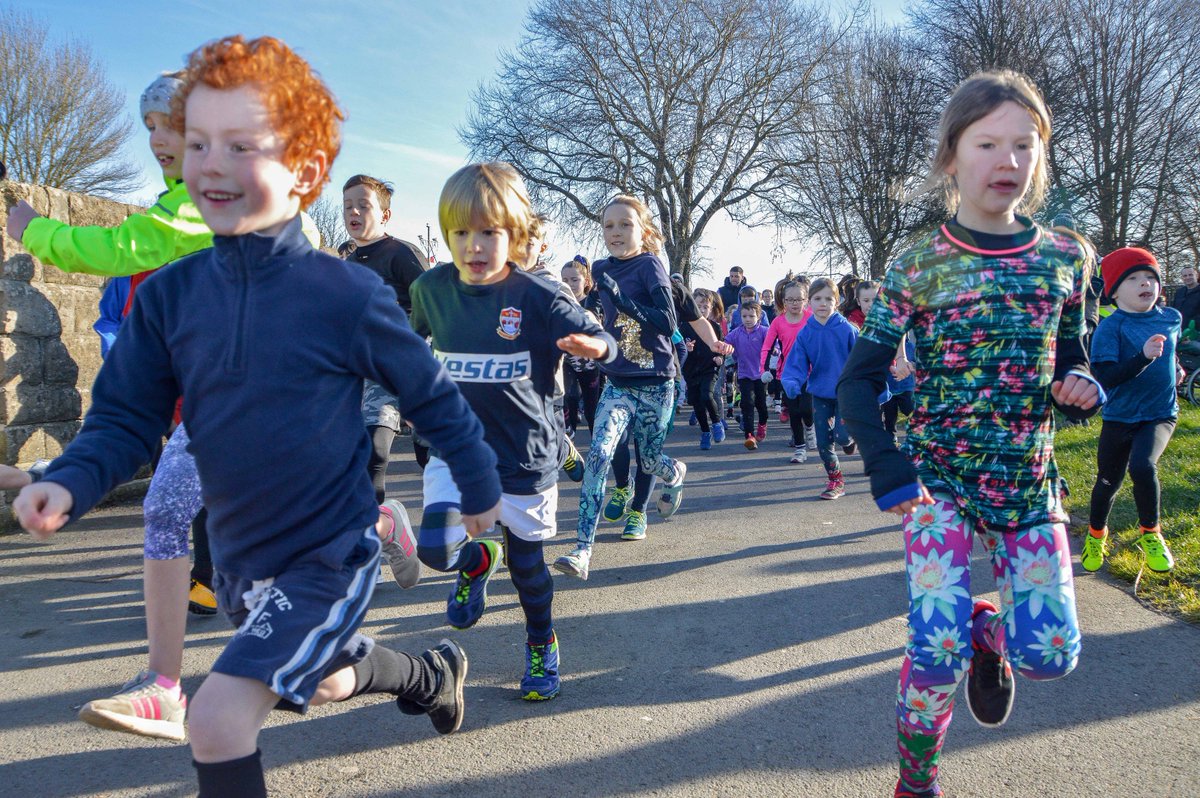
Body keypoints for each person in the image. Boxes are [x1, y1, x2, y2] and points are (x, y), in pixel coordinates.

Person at [13, 36, 502, 798]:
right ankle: (430, 674)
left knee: (216, 719)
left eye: (239, 145)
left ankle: (404, 666)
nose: (209, 162)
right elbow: (124, 419)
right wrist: (73, 481)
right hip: (246, 566)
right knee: (331, 679)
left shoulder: (344, 295)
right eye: (198, 142)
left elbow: (431, 394)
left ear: (305, 173)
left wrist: (475, 484)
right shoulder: (171, 298)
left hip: (329, 553)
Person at [836, 70, 1100, 798]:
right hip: (937, 479)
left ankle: (994, 632)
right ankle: (916, 782)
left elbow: (1074, 359)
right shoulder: (919, 265)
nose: (1008, 161)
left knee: (1052, 655)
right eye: (988, 143)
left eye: (1025, 144)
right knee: (933, 648)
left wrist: (1082, 390)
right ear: (952, 157)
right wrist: (889, 469)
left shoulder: (1068, 258)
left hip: (1027, 479)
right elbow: (858, 383)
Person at [5, 71, 223, 741]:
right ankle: (163, 685)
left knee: (320, 658)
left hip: (262, 402)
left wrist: (37, 231)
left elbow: (123, 246)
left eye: (172, 124)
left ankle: (374, 528)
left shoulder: (199, 205)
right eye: (150, 126)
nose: (157, 138)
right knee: (164, 508)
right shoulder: (178, 206)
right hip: (203, 407)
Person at [409, 163, 614, 701]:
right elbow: (401, 342)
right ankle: (476, 559)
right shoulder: (432, 288)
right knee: (434, 548)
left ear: (516, 233)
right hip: (456, 450)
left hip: (525, 456)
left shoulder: (539, 294)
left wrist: (595, 348)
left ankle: (541, 642)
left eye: (489, 233)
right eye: (460, 233)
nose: (472, 247)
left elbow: (603, 339)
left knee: (528, 572)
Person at [554, 195, 688, 580]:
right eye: (608, 225)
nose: (615, 232)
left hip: (656, 383)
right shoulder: (599, 268)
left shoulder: (651, 266)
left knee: (649, 461)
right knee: (597, 455)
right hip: (617, 381)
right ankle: (581, 551)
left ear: (642, 231)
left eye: (624, 225)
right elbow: (592, 307)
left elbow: (666, 321)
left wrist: (620, 298)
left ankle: (672, 470)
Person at [1082, 247, 1180, 574]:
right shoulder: (1111, 328)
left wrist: (1175, 366)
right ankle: (1096, 534)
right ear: (1114, 290)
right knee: (1108, 481)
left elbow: (1171, 350)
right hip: (1119, 417)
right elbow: (1107, 378)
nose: (1145, 284)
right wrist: (1143, 358)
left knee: (1143, 465)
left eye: (1151, 277)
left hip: (1160, 413)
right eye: (1134, 278)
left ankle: (1151, 534)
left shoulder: (1171, 318)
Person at [338, 174, 428, 510]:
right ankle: (369, 540)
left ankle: (467, 538)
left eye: (363, 204)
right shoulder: (347, 266)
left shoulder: (402, 254)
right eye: (348, 206)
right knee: (372, 450)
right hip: (369, 371)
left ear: (385, 215)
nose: (354, 211)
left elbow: (435, 305)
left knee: (431, 458)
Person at [781, 278, 857, 498]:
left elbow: (863, 361)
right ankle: (836, 481)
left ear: (838, 301)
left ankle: (849, 440)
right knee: (823, 441)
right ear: (809, 303)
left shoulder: (848, 330)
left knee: (842, 437)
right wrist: (792, 382)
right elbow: (797, 362)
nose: (823, 303)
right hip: (821, 393)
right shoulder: (806, 333)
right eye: (817, 298)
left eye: (828, 298)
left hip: (846, 392)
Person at [762, 280, 813, 463]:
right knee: (794, 411)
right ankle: (800, 449)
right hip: (787, 374)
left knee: (806, 409)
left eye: (799, 299)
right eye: (790, 300)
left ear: (806, 300)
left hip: (809, 371)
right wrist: (764, 369)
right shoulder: (778, 321)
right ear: (784, 301)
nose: (794, 303)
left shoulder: (811, 318)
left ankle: (810, 426)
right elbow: (767, 347)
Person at [561, 257, 603, 437]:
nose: (569, 284)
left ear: (586, 281)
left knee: (592, 411)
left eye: (574, 280)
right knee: (569, 395)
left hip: (590, 365)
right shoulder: (558, 303)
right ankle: (568, 434)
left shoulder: (593, 303)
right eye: (564, 280)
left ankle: (597, 444)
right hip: (567, 362)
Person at [725, 300, 770, 449]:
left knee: (760, 404)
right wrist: (721, 348)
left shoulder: (764, 331)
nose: (748, 319)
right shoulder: (736, 333)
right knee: (747, 403)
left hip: (760, 375)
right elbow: (725, 343)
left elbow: (773, 343)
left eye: (751, 316)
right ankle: (749, 436)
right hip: (744, 374)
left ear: (758, 316)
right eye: (745, 316)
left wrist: (775, 350)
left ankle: (762, 424)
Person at [684, 288, 725, 449]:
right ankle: (705, 432)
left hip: (709, 368)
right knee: (696, 403)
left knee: (706, 395)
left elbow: (722, 348)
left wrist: (720, 358)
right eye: (698, 306)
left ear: (711, 308)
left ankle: (716, 422)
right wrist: (685, 348)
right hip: (691, 370)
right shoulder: (684, 326)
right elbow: (676, 347)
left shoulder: (715, 327)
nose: (701, 310)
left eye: (705, 307)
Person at [1171, 264, 1200, 332]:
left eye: (1190, 275)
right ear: (1182, 278)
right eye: (1185, 276)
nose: (1188, 277)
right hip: (1178, 330)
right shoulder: (1179, 292)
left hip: (1195, 332)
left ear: (1197, 276)